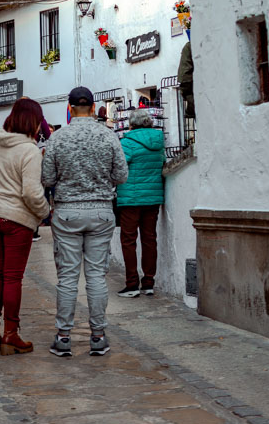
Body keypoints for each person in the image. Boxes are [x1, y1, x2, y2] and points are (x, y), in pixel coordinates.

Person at [41, 85, 128, 358]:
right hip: (101, 211)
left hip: (67, 212)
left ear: (69, 108)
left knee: (67, 277)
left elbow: (47, 179)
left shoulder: (58, 138)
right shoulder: (108, 136)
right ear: (92, 108)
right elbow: (122, 175)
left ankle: (64, 337)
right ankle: (98, 336)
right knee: (96, 277)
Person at [0, 98, 49, 356]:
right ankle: (10, 334)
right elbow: (31, 193)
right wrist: (44, 212)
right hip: (16, 220)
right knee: (12, 278)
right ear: (33, 122)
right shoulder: (30, 151)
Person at [116, 107, 165, 297]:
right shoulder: (158, 141)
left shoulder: (127, 142)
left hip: (130, 198)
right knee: (149, 239)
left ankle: (131, 284)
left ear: (132, 124)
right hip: (152, 198)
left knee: (128, 240)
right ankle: (148, 282)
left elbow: (120, 168)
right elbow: (161, 162)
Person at [177, 40, 195, 120]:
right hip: (188, 80)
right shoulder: (190, 46)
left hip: (186, 79)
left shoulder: (188, 46)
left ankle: (190, 112)